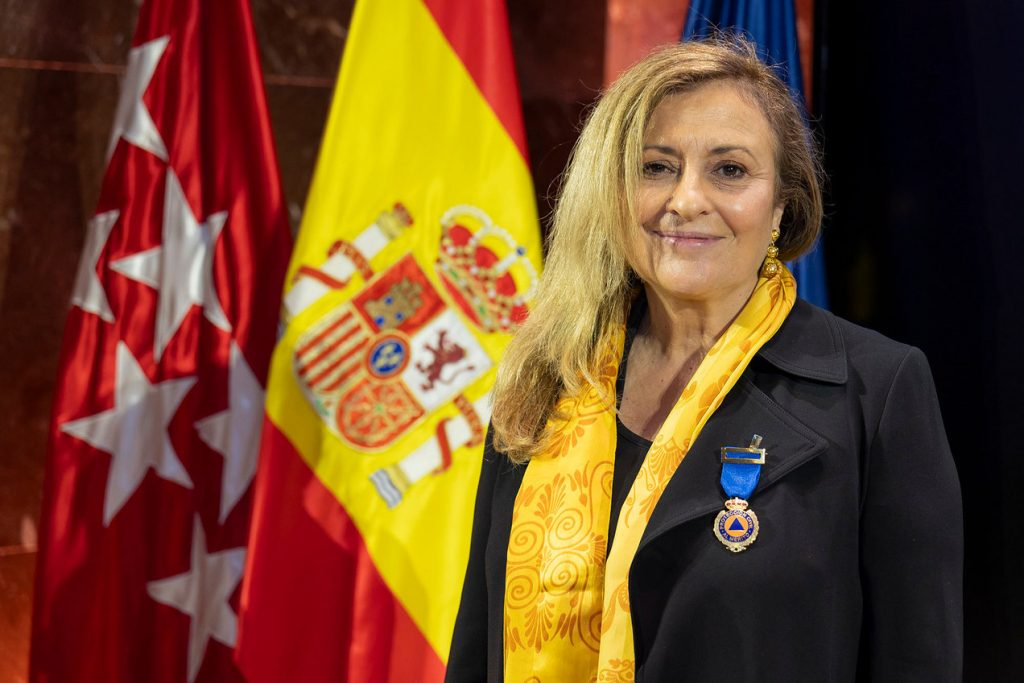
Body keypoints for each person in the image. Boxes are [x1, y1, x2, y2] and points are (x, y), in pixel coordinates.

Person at [446, 38, 962, 682]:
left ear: (782, 206)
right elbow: (476, 648)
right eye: (656, 167)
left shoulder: (877, 390)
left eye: (730, 170)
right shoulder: (549, 375)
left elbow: (917, 659)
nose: (687, 199)